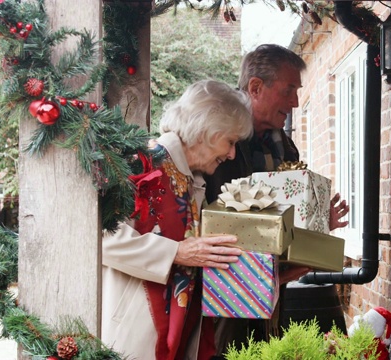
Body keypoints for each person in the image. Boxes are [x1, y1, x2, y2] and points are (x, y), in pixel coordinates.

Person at [203, 44, 350, 357]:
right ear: (256, 87)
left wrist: (317, 225)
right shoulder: (213, 130)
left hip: (268, 298)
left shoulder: (285, 147)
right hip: (220, 300)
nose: (295, 101)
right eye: (289, 90)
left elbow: (284, 224)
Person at [101, 80, 253, 360]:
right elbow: (102, 238)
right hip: (134, 334)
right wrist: (177, 252)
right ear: (206, 130)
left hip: (182, 330)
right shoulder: (143, 162)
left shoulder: (193, 181)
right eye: (230, 142)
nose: (232, 154)